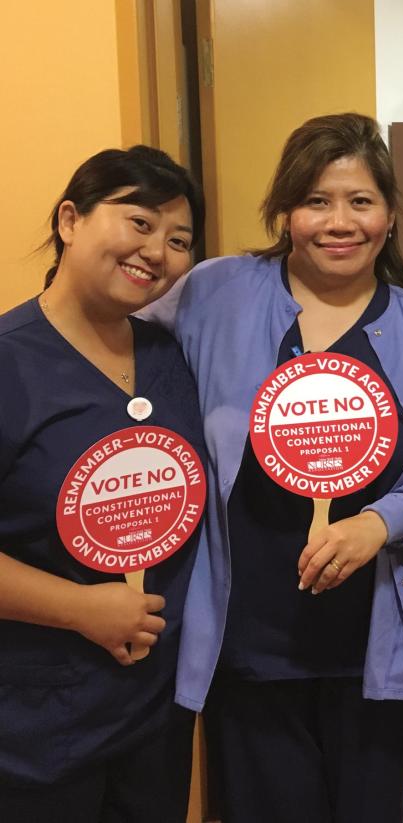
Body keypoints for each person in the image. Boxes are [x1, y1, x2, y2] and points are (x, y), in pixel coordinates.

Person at [144, 113, 403, 822]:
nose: (339, 222)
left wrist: (379, 524)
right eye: (316, 201)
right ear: (285, 212)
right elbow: (116, 334)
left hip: (383, 651)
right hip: (251, 644)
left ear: (388, 215)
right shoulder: (216, 293)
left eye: (360, 201)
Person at [0, 146, 205, 820]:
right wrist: (79, 608)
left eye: (179, 240)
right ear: (70, 219)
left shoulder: (167, 355)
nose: (159, 252)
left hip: (152, 713)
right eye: (139, 222)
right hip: (36, 724)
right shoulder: (11, 362)